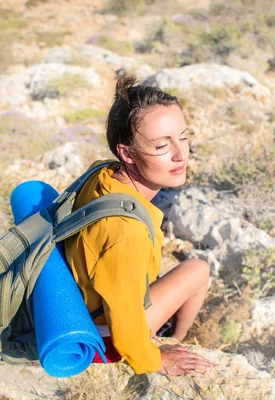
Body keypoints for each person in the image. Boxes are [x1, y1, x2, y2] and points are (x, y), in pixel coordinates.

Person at [64, 77, 214, 376]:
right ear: (127, 153)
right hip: (101, 335)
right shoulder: (126, 233)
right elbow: (124, 320)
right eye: (162, 145)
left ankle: (173, 334)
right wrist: (155, 359)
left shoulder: (102, 174)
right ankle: (176, 341)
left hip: (84, 302)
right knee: (199, 271)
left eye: (183, 137)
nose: (180, 154)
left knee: (196, 268)